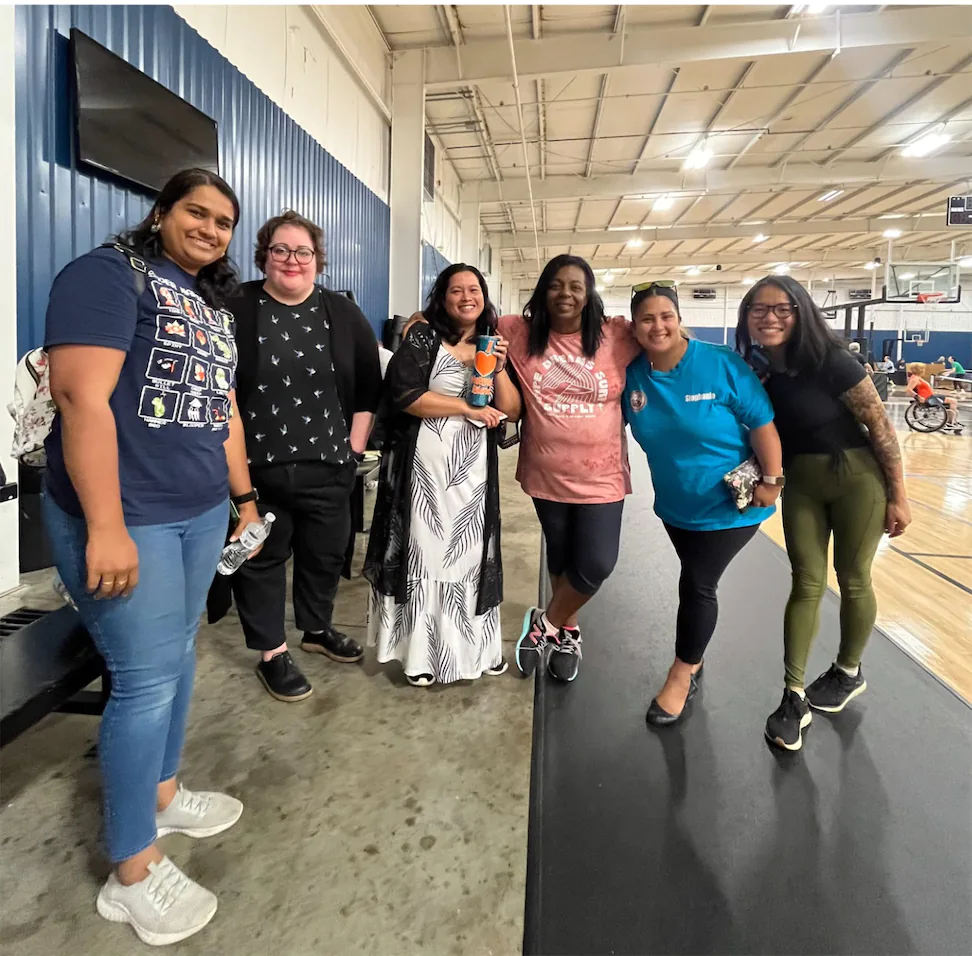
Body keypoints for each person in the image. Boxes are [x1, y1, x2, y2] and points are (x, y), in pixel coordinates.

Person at [42, 169, 252, 944]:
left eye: (224, 221)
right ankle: (131, 871)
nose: (210, 228)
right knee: (143, 681)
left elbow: (220, 406)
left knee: (181, 656)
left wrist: (244, 498)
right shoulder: (107, 274)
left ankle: (162, 792)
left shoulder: (207, 303)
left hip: (197, 509)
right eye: (196, 212)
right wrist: (105, 526)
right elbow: (79, 398)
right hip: (129, 517)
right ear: (161, 213)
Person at [737, 276, 912, 752]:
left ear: (801, 313)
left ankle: (848, 670)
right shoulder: (756, 367)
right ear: (746, 315)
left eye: (782, 308)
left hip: (858, 480)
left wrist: (898, 494)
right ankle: (793, 696)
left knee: (854, 578)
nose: (769, 317)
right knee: (806, 583)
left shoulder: (832, 361)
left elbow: (878, 424)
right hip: (803, 485)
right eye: (758, 308)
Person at [213, 210, 382, 702]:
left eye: (302, 251)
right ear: (264, 254)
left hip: (328, 465)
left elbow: (369, 387)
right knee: (260, 558)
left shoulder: (341, 312)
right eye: (280, 250)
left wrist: (353, 447)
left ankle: (316, 629)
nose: (291, 260)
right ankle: (272, 652)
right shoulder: (234, 305)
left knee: (324, 555)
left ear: (317, 260)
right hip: (255, 470)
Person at [623, 284, 784, 725]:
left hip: (730, 507)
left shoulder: (720, 364)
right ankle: (695, 653)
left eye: (666, 316)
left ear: (678, 318)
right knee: (694, 579)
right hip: (677, 507)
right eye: (647, 319)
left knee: (697, 585)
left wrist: (773, 480)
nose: (658, 326)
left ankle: (682, 672)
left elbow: (763, 424)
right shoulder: (633, 375)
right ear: (634, 328)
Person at [364, 264, 521, 686]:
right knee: (426, 549)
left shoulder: (493, 343)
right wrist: (466, 408)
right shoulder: (422, 337)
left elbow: (512, 410)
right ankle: (420, 656)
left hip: (473, 469)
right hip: (426, 467)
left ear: (484, 296)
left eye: (474, 289)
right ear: (442, 296)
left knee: (471, 555)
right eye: (456, 290)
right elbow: (406, 396)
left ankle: (476, 652)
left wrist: (500, 367)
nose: (466, 296)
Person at [499, 255, 641, 683]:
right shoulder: (518, 333)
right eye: (557, 285)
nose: (566, 294)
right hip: (545, 474)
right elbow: (465, 321)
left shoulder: (615, 335)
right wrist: (420, 322)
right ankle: (568, 631)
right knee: (560, 559)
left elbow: (664, 333)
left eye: (576, 286)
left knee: (596, 563)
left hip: (602, 477)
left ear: (589, 293)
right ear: (543, 290)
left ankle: (544, 625)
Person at [905, 364, 963, 433]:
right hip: (928, 399)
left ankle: (952, 420)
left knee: (953, 403)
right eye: (922, 369)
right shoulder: (915, 379)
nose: (924, 370)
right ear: (918, 370)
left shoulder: (917, 377)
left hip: (930, 396)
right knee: (953, 401)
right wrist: (917, 397)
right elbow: (908, 390)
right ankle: (950, 422)